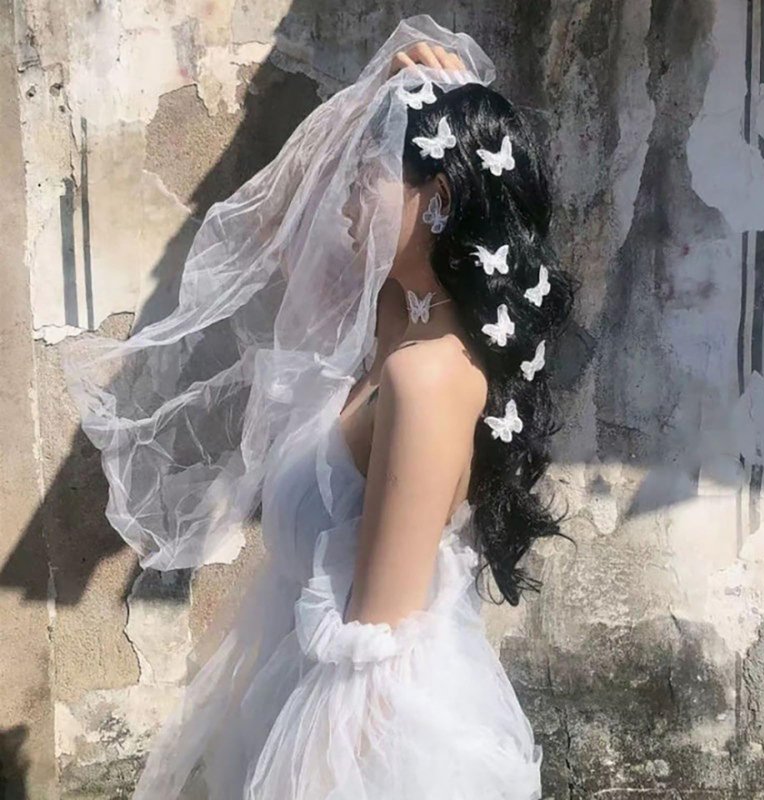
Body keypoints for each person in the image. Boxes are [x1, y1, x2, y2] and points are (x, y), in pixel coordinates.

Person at [61, 15, 577, 800]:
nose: (345, 192)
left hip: (367, 756)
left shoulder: (425, 378)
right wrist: (373, 95)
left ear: (437, 201)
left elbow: (374, 658)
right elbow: (275, 224)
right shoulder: (395, 325)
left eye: (369, 170)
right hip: (306, 705)